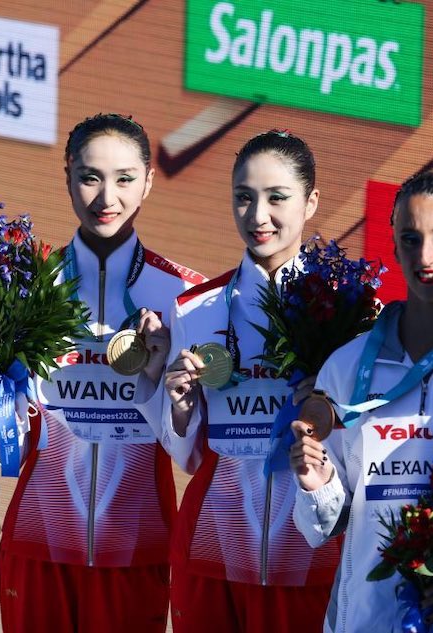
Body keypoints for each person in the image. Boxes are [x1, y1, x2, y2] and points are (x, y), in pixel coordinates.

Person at [289, 171, 433, 632]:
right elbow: (321, 527)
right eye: (411, 238)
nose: (426, 255)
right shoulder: (346, 366)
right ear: (394, 246)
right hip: (364, 620)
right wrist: (315, 484)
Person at [0, 113, 205, 633]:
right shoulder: (25, 286)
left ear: (149, 183)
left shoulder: (186, 297)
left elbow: (190, 450)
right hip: (39, 542)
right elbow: (4, 436)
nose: (105, 197)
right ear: (67, 176)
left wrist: (157, 384)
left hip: (138, 549)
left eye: (125, 179)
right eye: (90, 176)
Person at [151, 130, 341, 632]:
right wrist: (180, 411)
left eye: (277, 198)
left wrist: (330, 409)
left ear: (311, 201)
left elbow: (359, 452)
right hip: (210, 554)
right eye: (244, 197)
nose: (258, 216)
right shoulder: (195, 310)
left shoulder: (352, 315)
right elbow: (187, 455)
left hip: (308, 560)